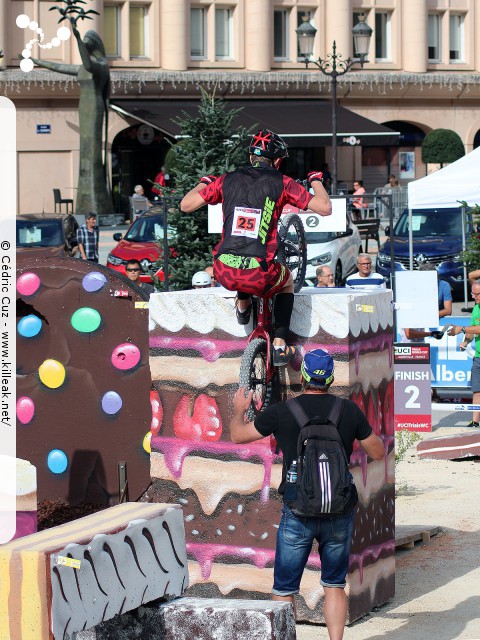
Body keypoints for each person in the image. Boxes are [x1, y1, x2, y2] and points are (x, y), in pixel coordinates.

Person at [230, 348, 385, 640]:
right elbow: (377, 452)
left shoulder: (283, 411)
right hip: (338, 511)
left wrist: (240, 409)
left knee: (285, 589)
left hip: (297, 511)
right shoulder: (348, 410)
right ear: (330, 378)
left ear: (303, 376)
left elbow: (238, 435)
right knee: (335, 585)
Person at [180, 128, 332, 367]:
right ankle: (280, 344)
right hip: (259, 273)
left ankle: (242, 307)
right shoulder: (283, 183)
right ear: (278, 160)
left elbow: (186, 205)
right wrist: (315, 180)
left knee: (239, 261)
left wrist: (203, 183)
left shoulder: (226, 179)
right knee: (287, 281)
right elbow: (324, 208)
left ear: (251, 157)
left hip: (222, 271)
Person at [31, 28, 110, 215]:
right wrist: (36, 61)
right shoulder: (84, 67)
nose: (85, 43)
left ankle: (96, 201)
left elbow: (88, 65)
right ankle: (85, 202)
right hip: (84, 107)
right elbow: (58, 67)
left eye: (87, 41)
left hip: (95, 107)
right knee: (85, 150)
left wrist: (77, 39)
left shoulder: (101, 64)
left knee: (92, 153)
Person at [447, 280, 480, 429]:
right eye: (473, 293)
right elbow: (472, 331)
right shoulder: (475, 309)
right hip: (478, 357)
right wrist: (465, 342)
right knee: (477, 390)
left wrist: (461, 329)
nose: (474, 297)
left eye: (477, 294)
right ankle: (475, 422)